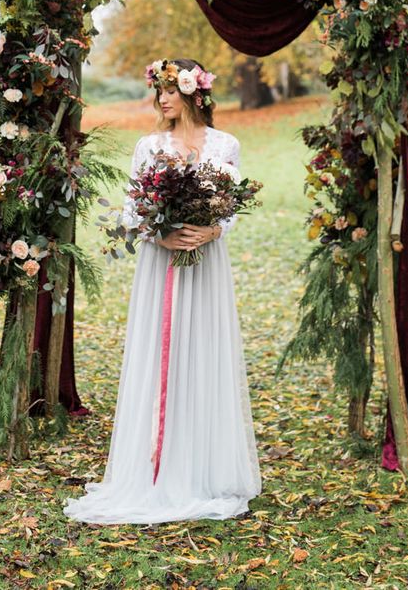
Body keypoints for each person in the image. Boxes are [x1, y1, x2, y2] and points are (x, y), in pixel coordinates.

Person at [62, 58, 261, 524]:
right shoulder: (149, 146)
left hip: (206, 263)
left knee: (203, 353)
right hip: (162, 262)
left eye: (172, 89)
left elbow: (229, 208)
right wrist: (162, 234)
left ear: (195, 92)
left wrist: (212, 231)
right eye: (160, 91)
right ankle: (153, 466)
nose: (163, 99)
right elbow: (134, 211)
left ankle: (203, 468)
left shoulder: (224, 145)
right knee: (162, 355)